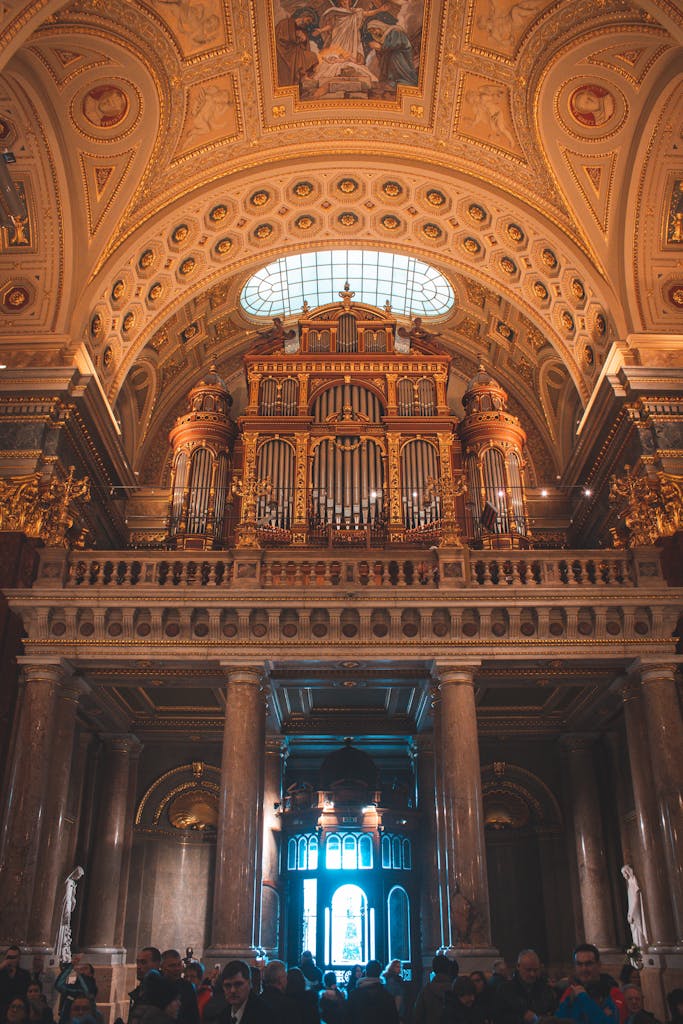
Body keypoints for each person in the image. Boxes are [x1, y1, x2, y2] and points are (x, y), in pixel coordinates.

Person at [557, 945, 624, 1024]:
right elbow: (557, 1021)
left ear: (599, 965)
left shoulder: (613, 992)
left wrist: (584, 998)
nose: (584, 969)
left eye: (588, 964)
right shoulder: (570, 993)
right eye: (579, 964)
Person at [493, 950, 556, 1024]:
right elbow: (498, 1017)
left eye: (535, 970)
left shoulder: (544, 987)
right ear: (518, 966)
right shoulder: (505, 989)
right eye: (528, 970)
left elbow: (552, 1009)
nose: (532, 974)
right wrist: (523, 1019)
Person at [345, 960, 398, 1024]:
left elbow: (348, 1018)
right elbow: (393, 1019)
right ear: (380, 973)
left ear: (366, 972)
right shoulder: (388, 996)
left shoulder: (353, 995)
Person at [412, 955, 455, 1024]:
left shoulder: (426, 990)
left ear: (434, 969)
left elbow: (417, 1015)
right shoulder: (455, 988)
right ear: (448, 968)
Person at [161, 952, 199, 1024]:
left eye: (179, 965)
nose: (177, 969)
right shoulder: (156, 987)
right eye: (172, 966)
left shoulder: (187, 987)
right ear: (162, 967)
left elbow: (194, 1015)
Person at [130, 949, 162, 1022]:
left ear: (157, 964)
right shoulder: (140, 989)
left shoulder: (160, 992)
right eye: (137, 962)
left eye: (143, 962)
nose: (138, 966)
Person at [0, 949, 31, 1021]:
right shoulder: (1, 972)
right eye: (9, 957)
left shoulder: (25, 974)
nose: (10, 960)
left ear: (19, 959)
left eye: (13, 957)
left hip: (18, 1012)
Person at [621, 867, 648, 950]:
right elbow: (631, 901)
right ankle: (638, 951)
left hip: (636, 912)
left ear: (628, 872)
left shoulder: (633, 882)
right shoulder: (630, 883)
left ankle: (641, 951)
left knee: (638, 932)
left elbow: (636, 899)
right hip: (632, 912)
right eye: (623, 874)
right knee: (635, 933)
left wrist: (632, 913)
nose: (624, 875)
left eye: (625, 873)